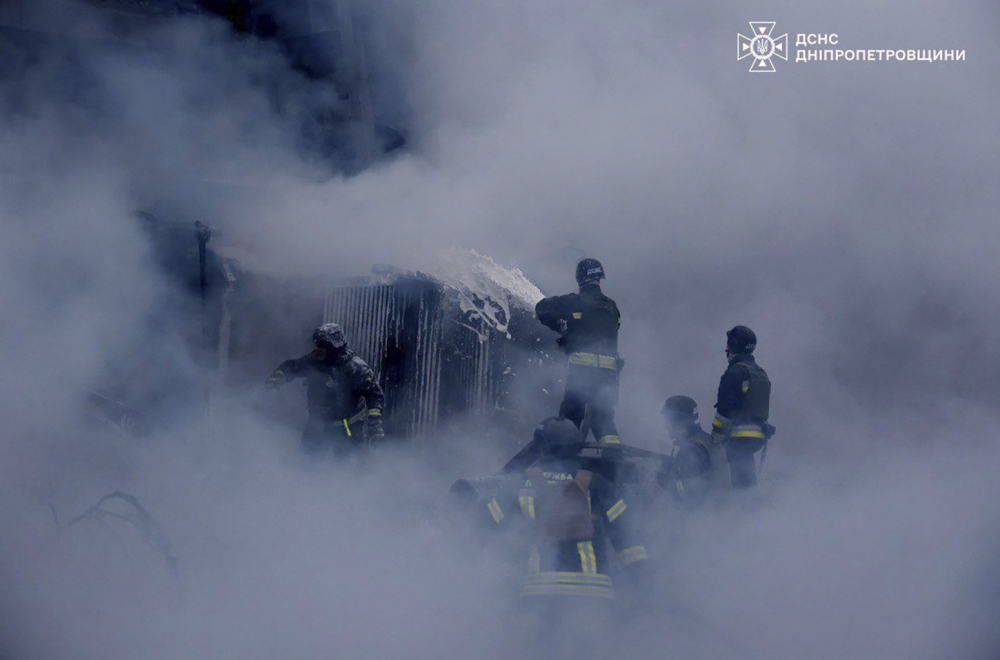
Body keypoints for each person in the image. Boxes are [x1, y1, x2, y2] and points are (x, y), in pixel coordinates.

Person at [484, 417, 649, 648]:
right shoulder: (598, 484)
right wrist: (643, 585)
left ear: (542, 449)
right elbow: (628, 540)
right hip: (594, 597)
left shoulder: (519, 484)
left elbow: (483, 529)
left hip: (540, 592)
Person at [535, 258, 623, 447]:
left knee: (570, 417)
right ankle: (615, 462)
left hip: (582, 374)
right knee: (603, 419)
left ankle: (563, 460)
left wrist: (562, 327)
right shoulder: (612, 307)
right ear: (600, 277)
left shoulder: (573, 302)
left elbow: (541, 309)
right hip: (608, 377)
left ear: (580, 278)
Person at [266, 323, 385, 455]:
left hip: (348, 430)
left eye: (323, 345)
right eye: (317, 344)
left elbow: (374, 394)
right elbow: (293, 366)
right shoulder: (314, 361)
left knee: (346, 471)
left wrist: (374, 423)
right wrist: (278, 376)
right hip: (317, 427)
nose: (318, 349)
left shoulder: (356, 368)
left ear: (335, 347)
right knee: (307, 465)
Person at [710, 326, 772, 489]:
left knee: (727, 480)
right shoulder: (759, 373)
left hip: (737, 437)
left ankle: (735, 510)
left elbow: (725, 410)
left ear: (733, 346)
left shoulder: (735, 372)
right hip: (756, 438)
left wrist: (715, 437)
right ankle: (750, 507)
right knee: (745, 478)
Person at [658, 395, 728, 506]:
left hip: (703, 518)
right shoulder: (706, 441)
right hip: (717, 513)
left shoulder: (692, 450)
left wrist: (667, 479)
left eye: (667, 420)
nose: (664, 425)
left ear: (678, 422)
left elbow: (691, 494)